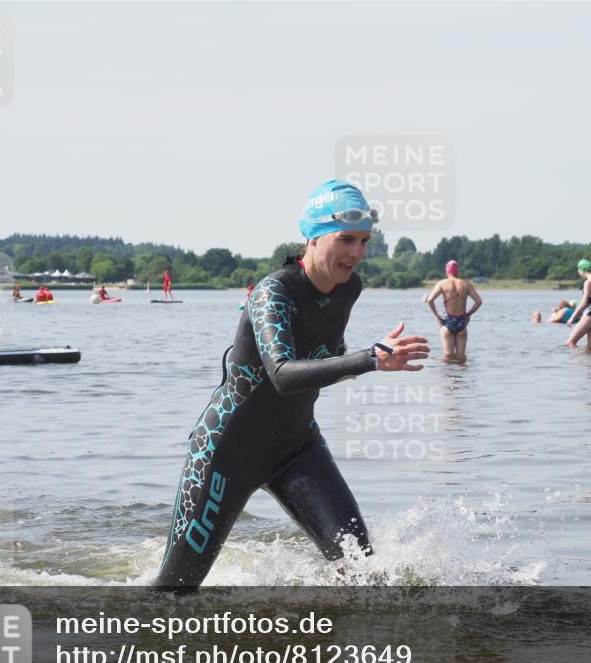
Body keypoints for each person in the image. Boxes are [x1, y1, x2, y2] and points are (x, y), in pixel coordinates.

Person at [154, 179, 429, 588]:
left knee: (362, 574)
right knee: (174, 591)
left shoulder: (348, 288)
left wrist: (371, 361)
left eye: (365, 241)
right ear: (313, 238)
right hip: (226, 453)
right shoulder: (272, 294)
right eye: (346, 239)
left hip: (298, 448)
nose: (357, 253)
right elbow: (282, 375)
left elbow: (327, 357)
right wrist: (368, 359)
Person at [426, 260, 482, 363]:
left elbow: (430, 300)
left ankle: (445, 376)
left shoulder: (442, 283)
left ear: (447, 271)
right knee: (461, 357)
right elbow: (478, 302)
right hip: (462, 322)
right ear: (457, 271)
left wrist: (437, 316)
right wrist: (468, 314)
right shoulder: (467, 284)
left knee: (447, 355)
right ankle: (460, 378)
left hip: (448, 321)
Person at [566, 259, 591, 350]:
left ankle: (579, 362)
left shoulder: (588, 282)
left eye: (578, 270)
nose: (578, 272)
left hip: (589, 315)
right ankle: (590, 363)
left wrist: (572, 317)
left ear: (582, 270)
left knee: (570, 342)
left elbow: (584, 302)